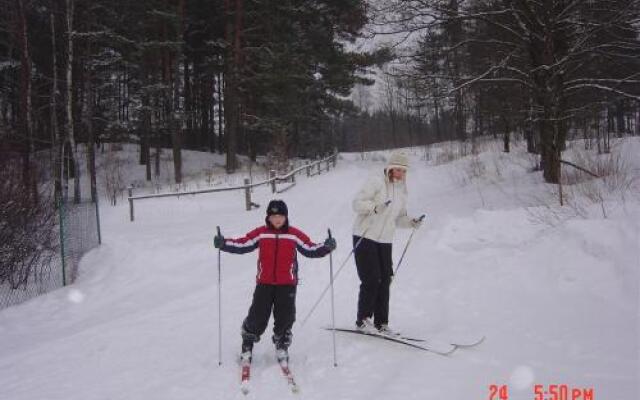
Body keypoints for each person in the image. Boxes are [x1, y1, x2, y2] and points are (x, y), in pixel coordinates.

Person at [214, 199, 336, 362]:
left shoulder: (294, 234)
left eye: (280, 216)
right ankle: (247, 344)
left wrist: (326, 247)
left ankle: (281, 344)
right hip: (264, 283)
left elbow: (309, 248)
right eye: (273, 216)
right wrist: (224, 244)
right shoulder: (262, 233)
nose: (277, 219)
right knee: (258, 315)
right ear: (268, 218)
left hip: (287, 284)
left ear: (286, 217)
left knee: (285, 316)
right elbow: (244, 244)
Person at [351, 151, 423, 335]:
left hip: (384, 240)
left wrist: (411, 222)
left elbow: (399, 218)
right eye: (397, 169)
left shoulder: (401, 191)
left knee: (385, 279)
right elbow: (357, 203)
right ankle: (363, 320)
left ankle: (381, 323)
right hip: (365, 235)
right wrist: (374, 208)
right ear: (390, 168)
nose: (399, 174)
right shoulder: (376, 181)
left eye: (403, 171)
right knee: (372, 278)